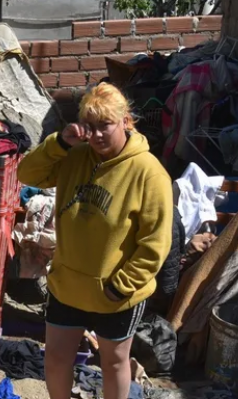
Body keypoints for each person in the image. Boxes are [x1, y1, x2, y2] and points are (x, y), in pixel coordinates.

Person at [17, 82, 173, 399]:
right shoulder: (75, 157)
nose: (98, 135)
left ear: (125, 122)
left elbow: (155, 243)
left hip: (116, 293)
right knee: (56, 358)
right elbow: (27, 174)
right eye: (91, 126)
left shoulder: (149, 173)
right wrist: (59, 142)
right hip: (68, 286)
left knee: (113, 362)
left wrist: (121, 286)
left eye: (106, 125)